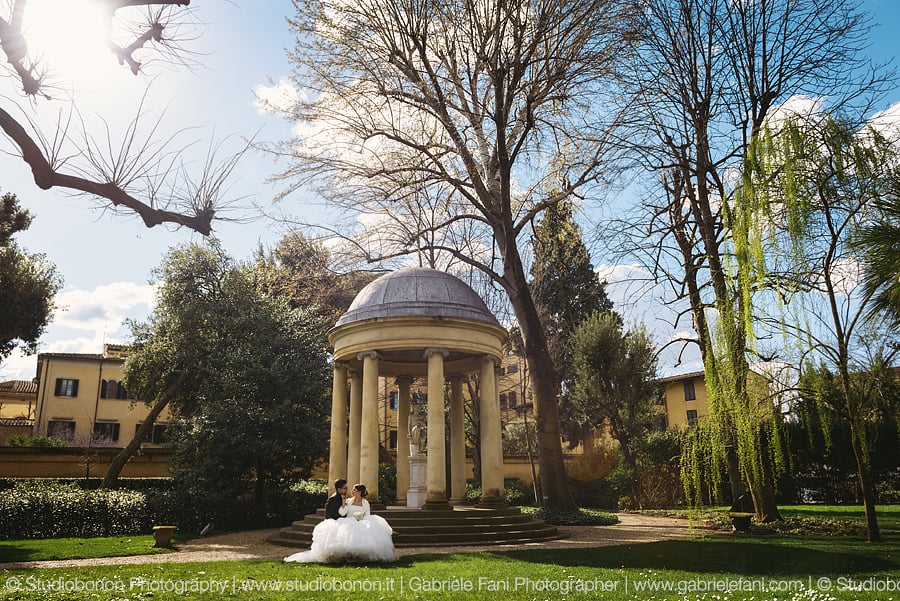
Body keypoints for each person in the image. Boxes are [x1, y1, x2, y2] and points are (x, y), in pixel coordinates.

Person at [284, 483, 395, 563]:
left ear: (359, 492)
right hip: (349, 521)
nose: (352, 491)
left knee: (366, 534)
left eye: (354, 490)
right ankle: (349, 557)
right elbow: (342, 512)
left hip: (361, 521)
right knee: (348, 537)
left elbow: (368, 514)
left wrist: (362, 519)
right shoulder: (349, 501)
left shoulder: (365, 503)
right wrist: (343, 503)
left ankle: (360, 557)